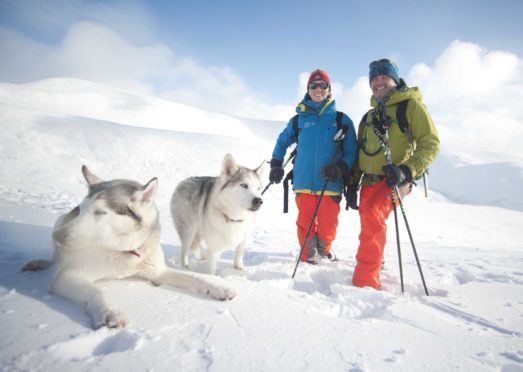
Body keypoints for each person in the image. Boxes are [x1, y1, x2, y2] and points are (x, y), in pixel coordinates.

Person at [351, 59, 440, 289]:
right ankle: (375, 261)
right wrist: (352, 183)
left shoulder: (410, 106)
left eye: (384, 77)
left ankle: (365, 283)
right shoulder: (369, 116)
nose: (379, 82)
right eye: (374, 78)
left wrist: (406, 170)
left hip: (396, 180)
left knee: (372, 220)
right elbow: (360, 151)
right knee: (368, 224)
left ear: (395, 80)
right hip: (368, 182)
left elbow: (430, 144)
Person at [269, 69, 358, 264]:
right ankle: (308, 256)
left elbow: (352, 151)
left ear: (329, 89)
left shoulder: (341, 120)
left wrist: (340, 168)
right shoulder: (298, 120)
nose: (318, 89)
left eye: (322, 85)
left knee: (327, 226)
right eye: (313, 86)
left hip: (331, 183)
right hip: (303, 182)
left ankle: (324, 251)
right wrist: (276, 164)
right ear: (308, 89)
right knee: (305, 224)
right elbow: (282, 142)